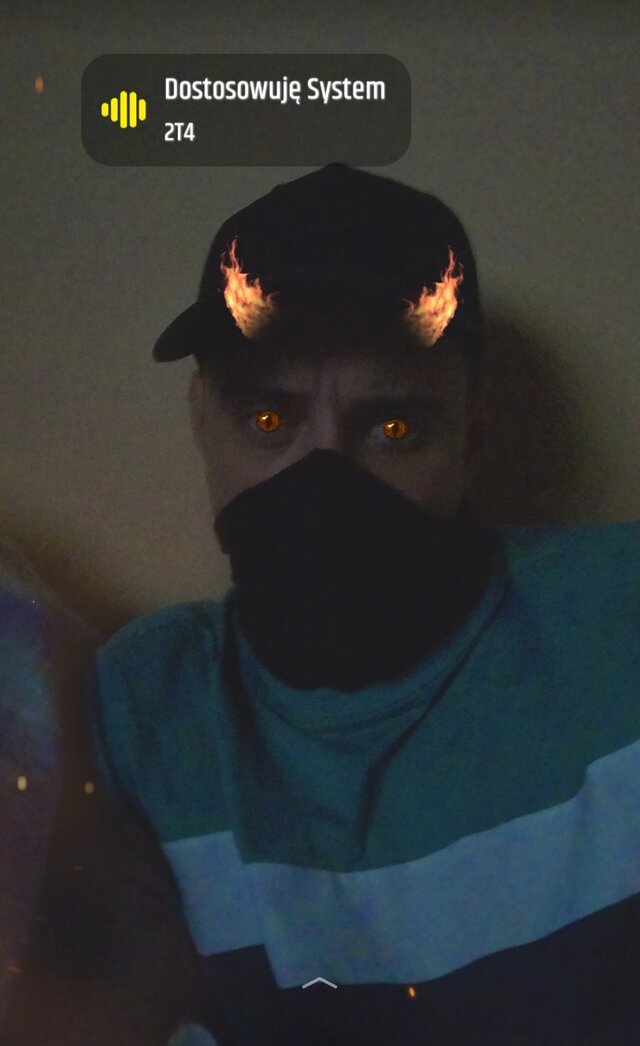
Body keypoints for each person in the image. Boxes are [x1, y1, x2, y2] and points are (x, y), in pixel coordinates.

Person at [91, 164, 639, 1045]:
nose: (323, 482)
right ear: (201, 419)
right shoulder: (142, 715)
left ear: (473, 433)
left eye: (394, 427)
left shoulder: (620, 624)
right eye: (269, 421)